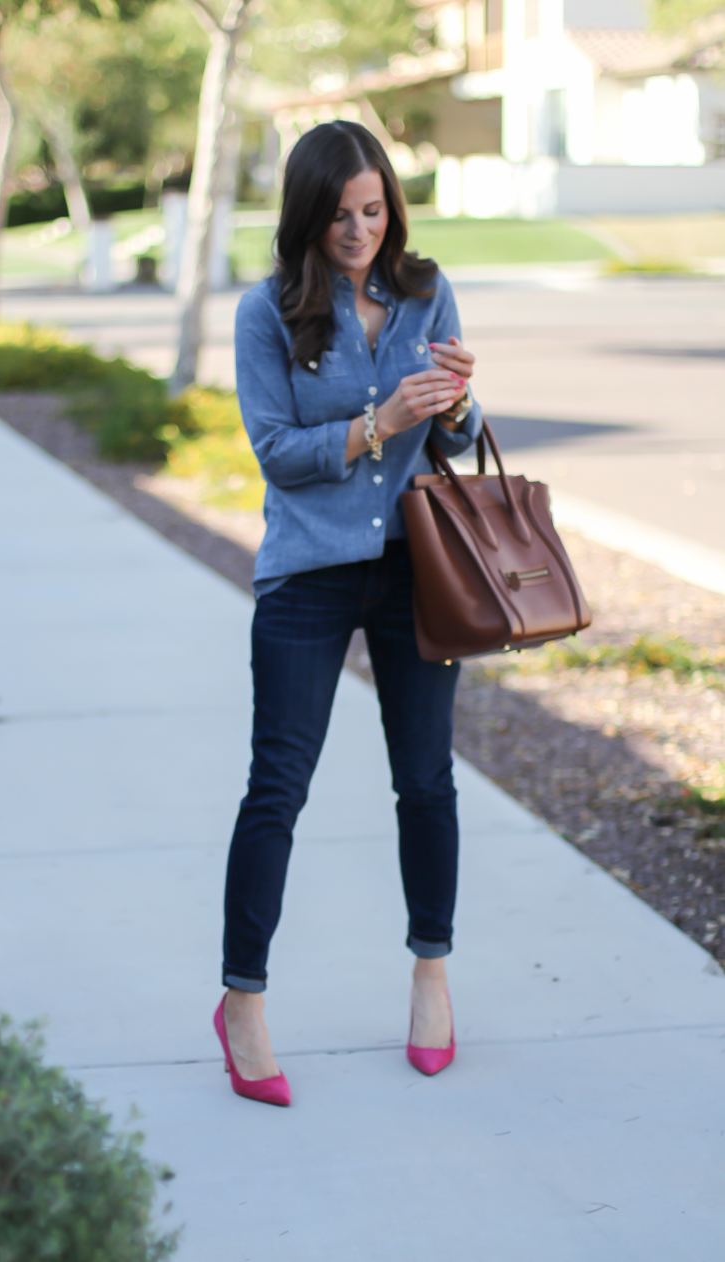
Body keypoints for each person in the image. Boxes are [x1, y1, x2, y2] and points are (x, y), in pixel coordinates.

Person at [212, 120, 482, 1106]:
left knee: (425, 781)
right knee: (277, 786)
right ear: (308, 215)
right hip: (308, 574)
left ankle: (431, 977)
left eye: (373, 210)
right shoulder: (266, 312)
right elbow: (277, 451)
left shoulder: (425, 290)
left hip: (418, 567)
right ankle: (242, 998)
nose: (360, 229)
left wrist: (454, 404)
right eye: (340, 215)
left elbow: (461, 430)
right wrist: (381, 422)